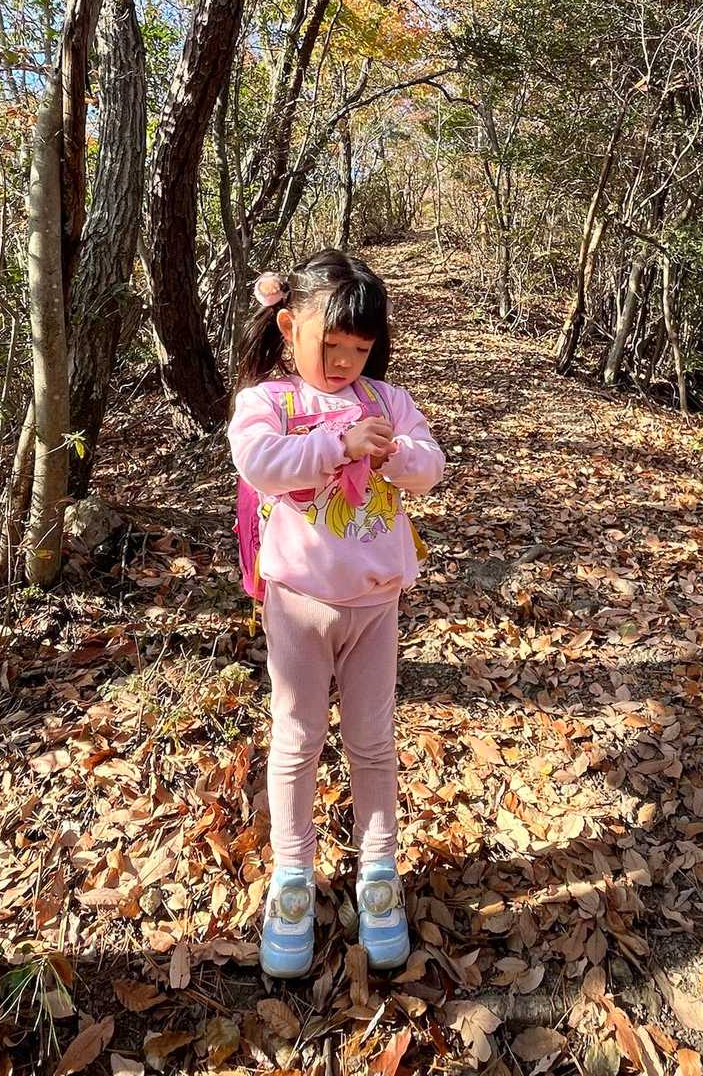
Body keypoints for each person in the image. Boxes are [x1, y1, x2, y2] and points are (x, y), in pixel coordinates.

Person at [228, 249, 445, 979]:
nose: (347, 362)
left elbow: (430, 466)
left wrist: (392, 456)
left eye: (361, 348)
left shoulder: (388, 401)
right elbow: (260, 463)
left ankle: (378, 872)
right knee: (297, 739)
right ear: (289, 327)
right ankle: (292, 876)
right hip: (298, 603)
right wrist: (334, 444)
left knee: (372, 741)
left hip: (375, 606)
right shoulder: (270, 402)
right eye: (332, 345)